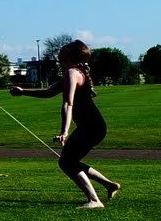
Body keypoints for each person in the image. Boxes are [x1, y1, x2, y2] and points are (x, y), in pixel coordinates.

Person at [11, 39, 121, 209]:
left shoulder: (72, 73)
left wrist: (64, 131)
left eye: (65, 48)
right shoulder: (72, 73)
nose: (61, 51)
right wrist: (23, 92)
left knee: (67, 163)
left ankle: (94, 200)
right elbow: (48, 93)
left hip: (92, 127)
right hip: (94, 126)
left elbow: (68, 103)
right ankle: (109, 185)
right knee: (70, 161)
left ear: (69, 55)